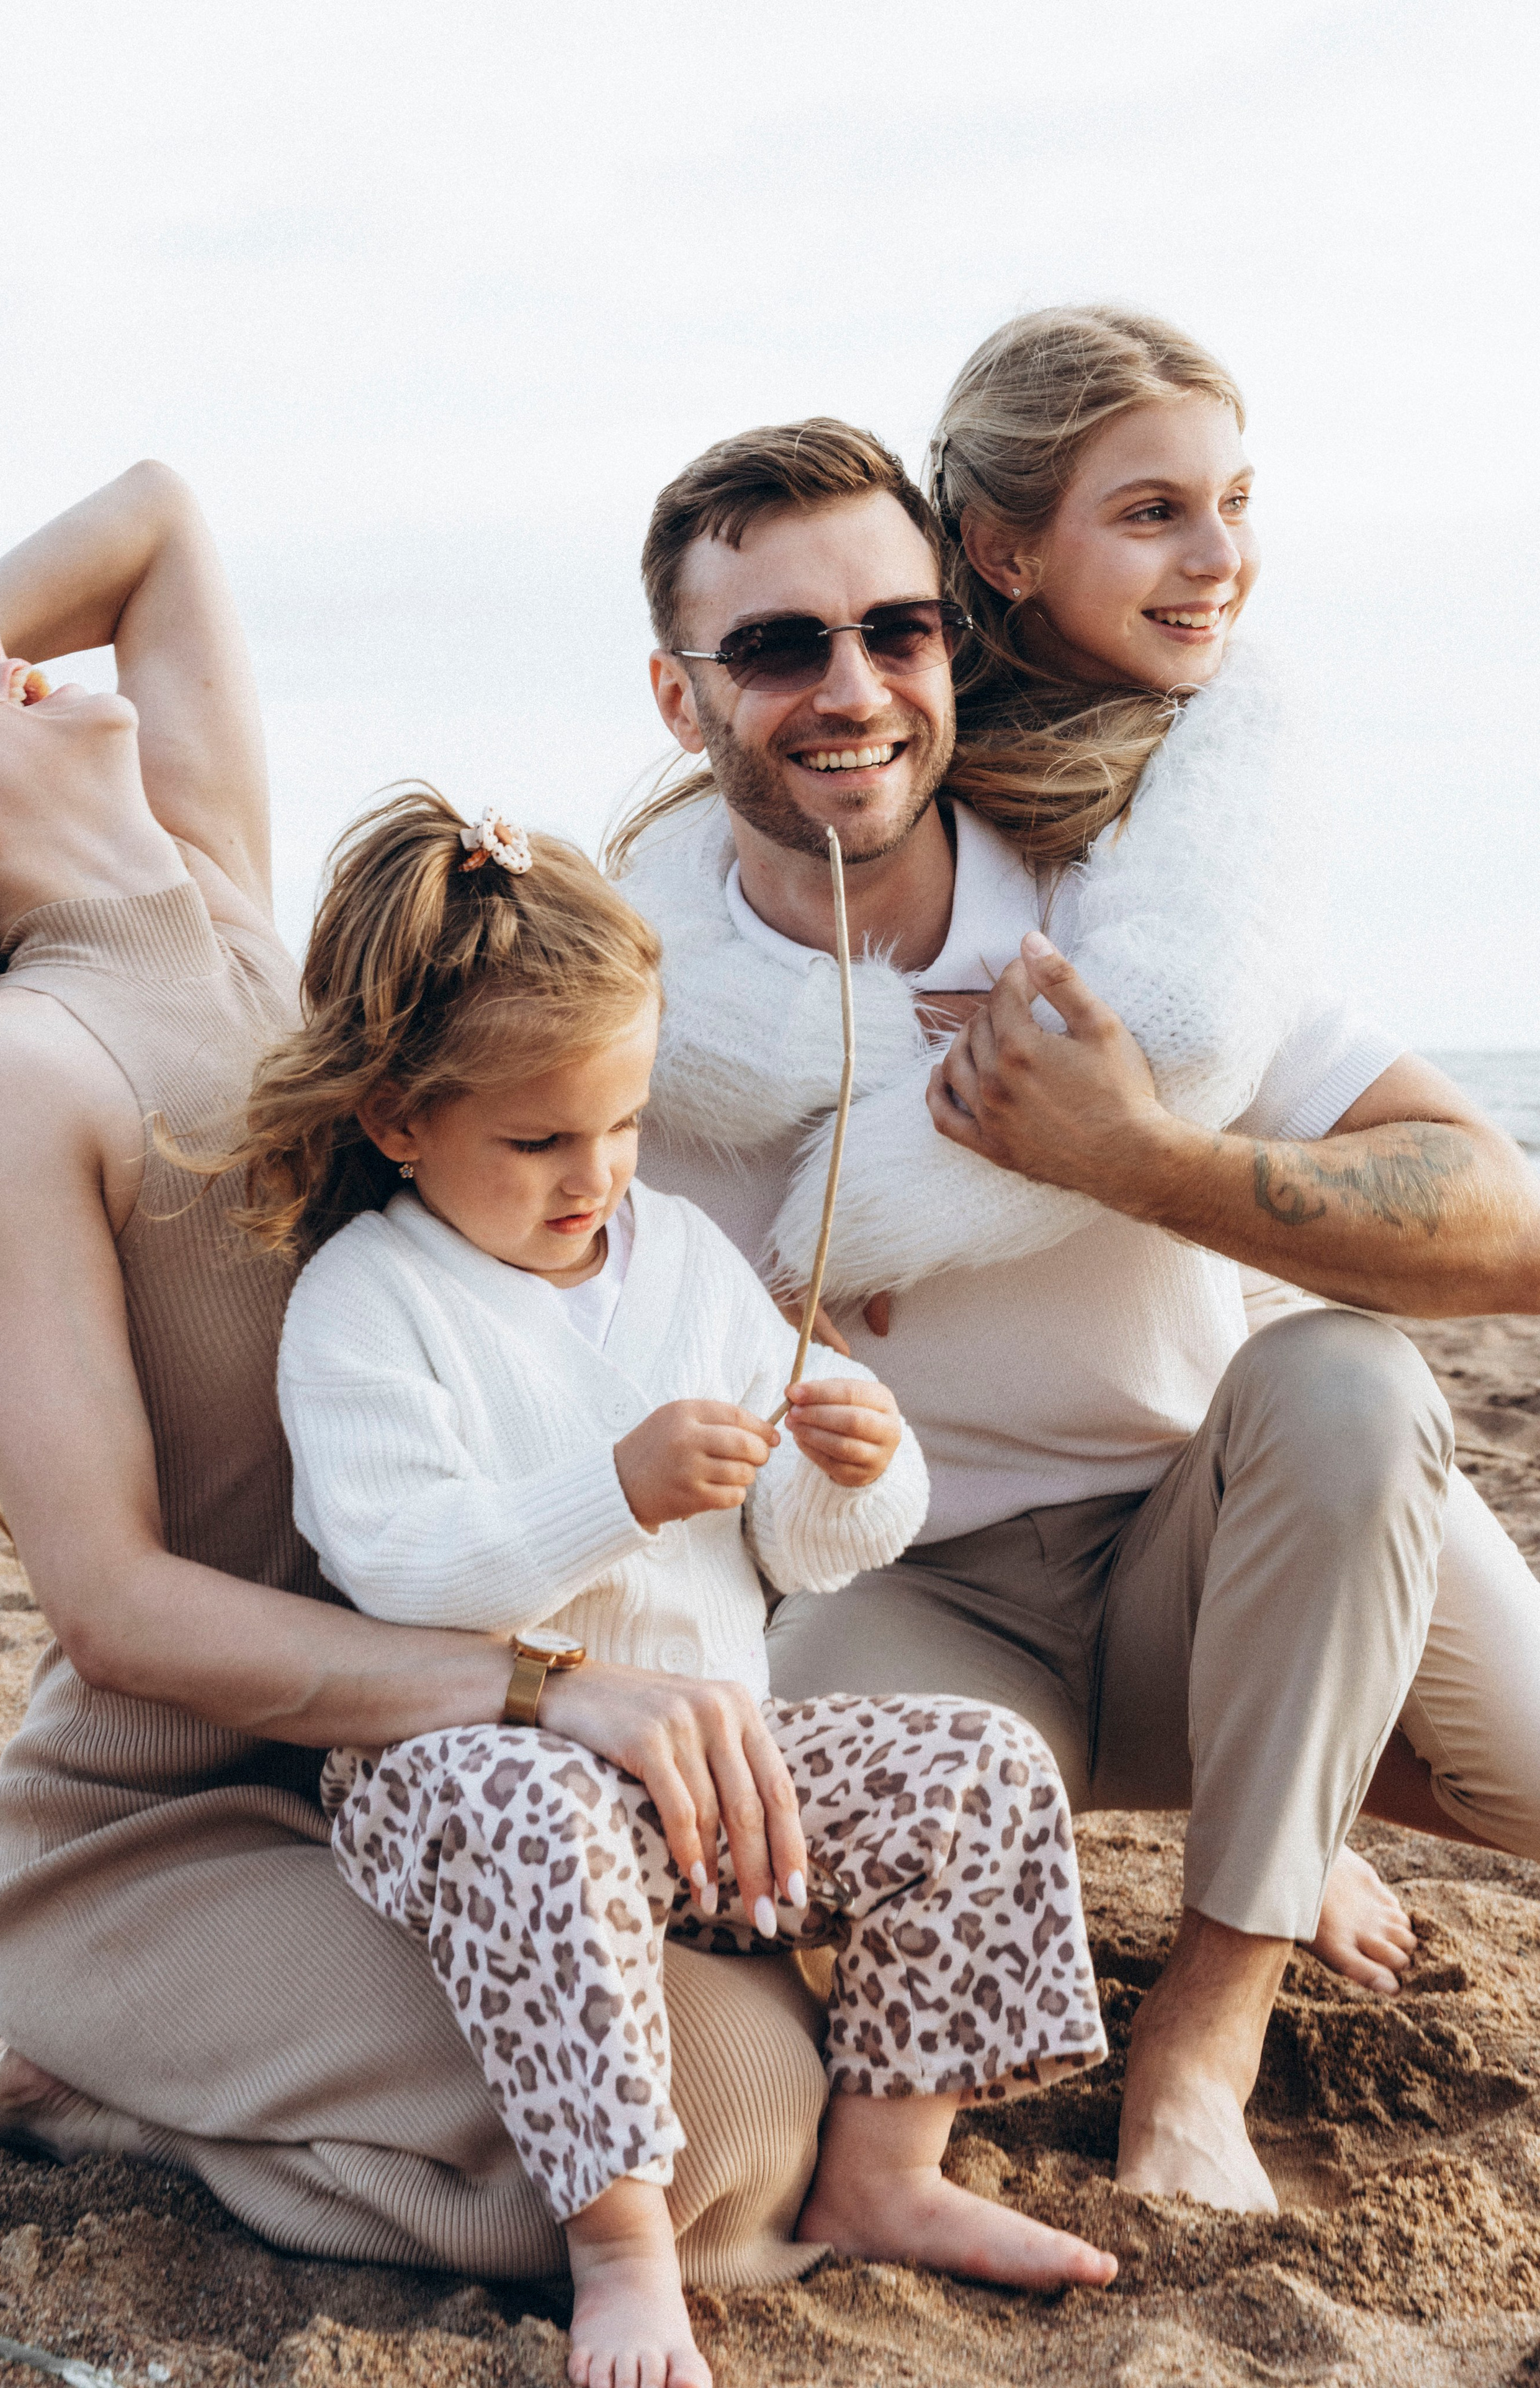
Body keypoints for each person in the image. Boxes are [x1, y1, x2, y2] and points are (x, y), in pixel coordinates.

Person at [611, 315, 1540, 2216]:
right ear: (678, 690)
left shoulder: (1126, 915)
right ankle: (1299, 1793)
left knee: (1349, 1382)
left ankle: (1212, 2016)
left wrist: (1137, 1158)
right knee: (765, 1964)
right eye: (779, 648)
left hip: (1215, 1557)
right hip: (909, 1598)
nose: (850, 688)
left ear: (956, 621)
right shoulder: (632, 994)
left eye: (893, 631)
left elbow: (1504, 1221)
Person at [0, 465, 853, 2291]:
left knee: (769, 2092)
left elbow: (157, 522)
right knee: (710, 2136)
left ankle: (218, 2071)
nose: (8, 660)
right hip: (165, 1833)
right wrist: (541, 1690)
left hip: (395, 1786)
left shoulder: (213, 886)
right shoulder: (13, 1077)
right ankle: (104, 2086)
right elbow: (115, 1611)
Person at [226, 784, 1114, 2385]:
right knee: (536, 1818)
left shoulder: (686, 1261)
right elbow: (397, 1561)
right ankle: (621, 2250)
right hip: (474, 1775)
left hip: (714, 1769)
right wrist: (614, 1489)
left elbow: (795, 1550)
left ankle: (886, 2175)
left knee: (983, 1766)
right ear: (398, 1122)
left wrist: (856, 1466)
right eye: (541, 1140)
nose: (596, 1175)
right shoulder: (369, 1303)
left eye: (625, 1125)